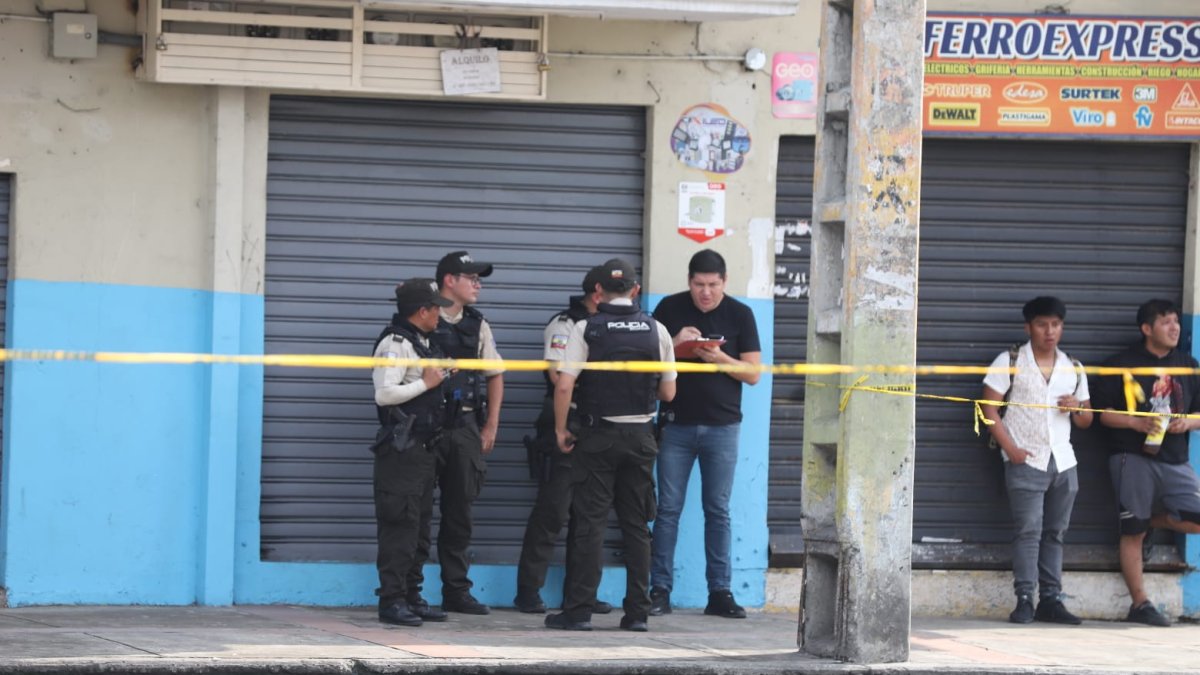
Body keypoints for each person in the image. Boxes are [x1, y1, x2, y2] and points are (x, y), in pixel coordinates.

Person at [544, 258, 677, 632]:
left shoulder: (586, 328)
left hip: (597, 437)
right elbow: (668, 392)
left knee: (590, 524)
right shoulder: (657, 330)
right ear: (635, 290)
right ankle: (637, 613)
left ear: (598, 291)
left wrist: (559, 430)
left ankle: (579, 611)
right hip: (640, 438)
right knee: (636, 526)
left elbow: (564, 384)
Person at [648, 249, 761, 618]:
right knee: (668, 510)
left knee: (718, 511)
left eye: (713, 285)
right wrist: (679, 343)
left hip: (723, 427)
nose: (706, 293)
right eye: (699, 285)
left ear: (724, 282)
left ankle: (720, 593)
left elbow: (753, 373)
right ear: (689, 281)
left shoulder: (741, 314)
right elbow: (647, 364)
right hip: (676, 425)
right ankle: (659, 590)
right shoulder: (668, 308)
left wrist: (720, 359)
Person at [981, 296, 1092, 625]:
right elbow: (987, 409)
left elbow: (1087, 419)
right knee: (1028, 531)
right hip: (1025, 459)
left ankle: (1051, 600)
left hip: (1063, 460)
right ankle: (1025, 598)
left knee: (1056, 533)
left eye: (1056, 325)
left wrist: (1076, 408)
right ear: (1029, 326)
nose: (1050, 331)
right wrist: (1010, 449)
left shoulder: (1073, 365)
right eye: (1043, 324)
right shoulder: (1010, 360)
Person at [1093, 299, 1200, 627]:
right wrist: (1136, 423)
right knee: (1132, 531)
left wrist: (1188, 423)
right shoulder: (1121, 364)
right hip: (1131, 457)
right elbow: (1101, 414)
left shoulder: (1188, 365)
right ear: (1146, 329)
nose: (1175, 328)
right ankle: (1140, 603)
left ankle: (1153, 521)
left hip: (1175, 459)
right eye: (1166, 322)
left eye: (1176, 323)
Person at [514, 266, 614, 616]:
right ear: (599, 292)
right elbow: (557, 373)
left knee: (591, 515)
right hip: (567, 419)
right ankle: (528, 590)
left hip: (601, 426)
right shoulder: (565, 324)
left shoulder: (617, 325)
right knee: (553, 509)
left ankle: (582, 593)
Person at [370, 278, 455, 627]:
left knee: (419, 528)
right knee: (399, 526)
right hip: (401, 452)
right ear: (422, 311)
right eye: (436, 308)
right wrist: (427, 383)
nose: (440, 314)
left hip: (423, 451)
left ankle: (411, 596)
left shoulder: (423, 343)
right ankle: (392, 600)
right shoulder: (394, 344)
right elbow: (385, 394)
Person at [428, 250, 505, 615]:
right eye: (471, 277)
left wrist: (489, 426)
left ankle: (456, 590)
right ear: (449, 281)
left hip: (465, 428)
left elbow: (495, 375)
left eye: (479, 279)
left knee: (460, 513)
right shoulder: (423, 313)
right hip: (425, 428)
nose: (477, 284)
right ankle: (407, 592)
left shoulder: (478, 323)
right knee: (414, 513)